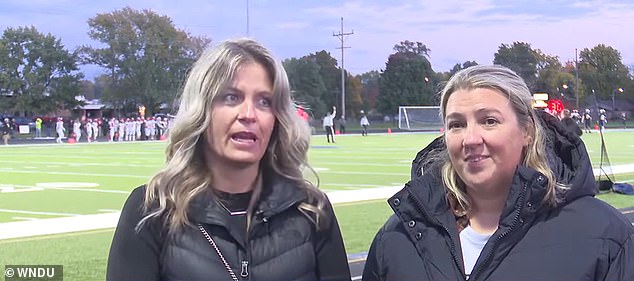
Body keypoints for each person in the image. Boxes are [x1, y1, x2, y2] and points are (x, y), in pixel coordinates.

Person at [107, 38, 351, 281]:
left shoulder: (311, 210)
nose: (248, 115)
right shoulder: (153, 209)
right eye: (231, 97)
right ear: (201, 110)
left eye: (264, 101)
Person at [363, 65, 634, 281]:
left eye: (489, 121)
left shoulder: (603, 235)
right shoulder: (399, 237)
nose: (470, 139)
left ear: (526, 131)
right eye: (456, 124)